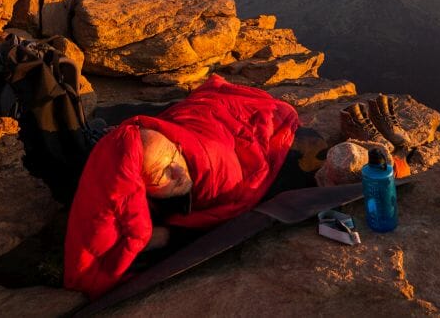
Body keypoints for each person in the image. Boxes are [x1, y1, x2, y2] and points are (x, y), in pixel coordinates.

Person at [63, 74, 300, 299]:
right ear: (141, 190)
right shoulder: (143, 189)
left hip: (212, 123)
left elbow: (236, 196)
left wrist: (168, 234)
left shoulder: (222, 179)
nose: (177, 172)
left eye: (174, 157)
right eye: (160, 173)